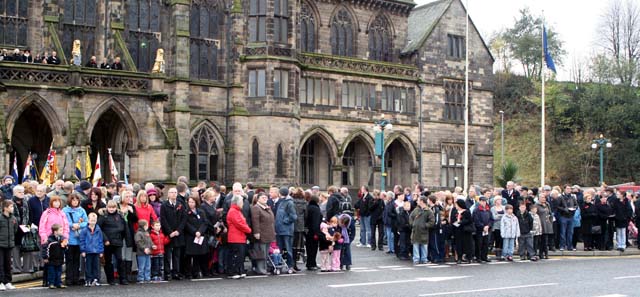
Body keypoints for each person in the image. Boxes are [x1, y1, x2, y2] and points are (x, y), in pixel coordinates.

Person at [160, 187, 186, 281]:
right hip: (169, 234)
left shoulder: (180, 205)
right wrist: (170, 232)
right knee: (167, 255)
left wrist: (178, 231)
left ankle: (176, 272)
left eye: (175, 192)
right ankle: (167, 273)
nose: (174, 194)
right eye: (172, 192)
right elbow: (163, 219)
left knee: (177, 255)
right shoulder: (164, 205)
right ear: (168, 194)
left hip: (178, 234)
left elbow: (184, 219)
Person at [98, 201, 126, 285]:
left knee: (120, 260)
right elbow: (99, 229)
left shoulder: (120, 216)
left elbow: (124, 228)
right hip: (107, 242)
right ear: (107, 207)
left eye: (113, 207)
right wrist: (105, 239)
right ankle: (110, 280)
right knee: (108, 261)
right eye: (109, 207)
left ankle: (123, 279)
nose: (111, 209)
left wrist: (123, 238)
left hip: (118, 241)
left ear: (116, 208)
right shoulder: (103, 216)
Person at [62, 194, 88, 286]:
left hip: (78, 238)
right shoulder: (65, 210)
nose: (75, 202)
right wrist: (72, 225)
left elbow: (86, 221)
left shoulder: (81, 210)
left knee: (77, 260)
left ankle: (75, 278)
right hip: (69, 238)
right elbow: (63, 221)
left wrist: (79, 225)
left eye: (77, 200)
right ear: (70, 201)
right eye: (73, 200)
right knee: (69, 260)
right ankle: (68, 278)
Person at [12, 185, 37, 274]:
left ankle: (28, 268)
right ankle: (17, 269)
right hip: (15, 230)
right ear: (15, 193)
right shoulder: (11, 202)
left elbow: (30, 215)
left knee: (27, 249)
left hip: (26, 228)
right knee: (16, 250)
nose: (22, 194)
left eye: (23, 192)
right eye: (19, 192)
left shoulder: (26, 202)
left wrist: (29, 226)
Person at [226, 195, 251, 279]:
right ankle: (233, 271)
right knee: (235, 255)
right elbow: (239, 223)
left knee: (240, 255)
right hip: (235, 237)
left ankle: (239, 270)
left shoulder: (237, 211)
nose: (243, 204)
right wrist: (248, 230)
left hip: (239, 236)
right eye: (241, 202)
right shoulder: (233, 211)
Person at [184, 196, 209, 279]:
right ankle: (188, 272)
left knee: (197, 255)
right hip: (190, 236)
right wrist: (194, 231)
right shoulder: (186, 212)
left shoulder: (201, 212)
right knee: (189, 256)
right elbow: (186, 224)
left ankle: (196, 271)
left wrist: (200, 231)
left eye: (192, 202)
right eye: (189, 202)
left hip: (199, 236)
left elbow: (205, 223)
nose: (191, 204)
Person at [251, 193, 275, 275]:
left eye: (266, 197)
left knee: (266, 253)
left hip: (268, 233)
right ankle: (260, 269)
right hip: (261, 234)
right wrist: (256, 232)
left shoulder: (267, 207)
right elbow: (255, 221)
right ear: (258, 199)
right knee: (261, 253)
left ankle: (264, 268)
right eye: (263, 197)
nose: (265, 199)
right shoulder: (256, 208)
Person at [274, 187, 297, 274]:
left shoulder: (289, 203)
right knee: (278, 249)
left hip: (287, 230)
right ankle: (279, 265)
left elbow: (293, 216)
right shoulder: (281, 201)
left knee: (288, 249)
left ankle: (290, 265)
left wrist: (284, 221)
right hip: (279, 229)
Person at [409, 196, 435, 265]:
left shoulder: (429, 211)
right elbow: (411, 217)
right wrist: (413, 224)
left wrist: (425, 225)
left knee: (424, 245)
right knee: (415, 245)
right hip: (415, 231)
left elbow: (432, 221)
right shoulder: (416, 210)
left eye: (418, 200)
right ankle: (416, 259)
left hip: (424, 232)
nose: (417, 201)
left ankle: (424, 258)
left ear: (422, 201)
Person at [80, 212, 103, 287]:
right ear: (88, 220)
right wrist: (83, 250)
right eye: (91, 220)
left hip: (96, 251)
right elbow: (82, 241)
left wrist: (101, 250)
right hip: (88, 251)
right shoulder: (84, 230)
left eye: (94, 220)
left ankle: (96, 279)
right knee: (88, 266)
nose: (93, 222)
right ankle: (88, 279)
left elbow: (100, 240)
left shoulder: (98, 230)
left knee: (96, 266)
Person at [41, 224, 67, 289]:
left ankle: (59, 283)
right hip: (51, 260)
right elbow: (45, 248)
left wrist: (65, 246)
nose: (62, 232)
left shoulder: (62, 239)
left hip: (59, 259)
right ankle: (51, 283)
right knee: (51, 272)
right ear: (55, 232)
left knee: (59, 272)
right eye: (60, 230)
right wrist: (45, 257)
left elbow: (65, 249)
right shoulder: (49, 240)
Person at [0, 200, 18, 291]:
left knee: (8, 264)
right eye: (11, 207)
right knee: (1, 264)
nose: (12, 208)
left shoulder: (13, 218)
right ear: (5, 208)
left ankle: (7, 282)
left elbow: (15, 230)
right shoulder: (0, 218)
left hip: (9, 244)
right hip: (1, 245)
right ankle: (1, 282)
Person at [557, 185, 578, 251]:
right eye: (568, 188)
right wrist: (564, 209)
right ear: (564, 189)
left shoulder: (572, 197)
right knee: (563, 232)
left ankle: (570, 246)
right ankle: (562, 245)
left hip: (571, 216)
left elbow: (576, 205)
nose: (569, 190)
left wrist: (575, 208)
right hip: (563, 216)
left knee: (570, 232)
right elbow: (558, 206)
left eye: (570, 189)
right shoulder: (560, 197)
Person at [472, 196, 492, 263]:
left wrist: (488, 226)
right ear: (479, 201)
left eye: (485, 201)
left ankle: (484, 256)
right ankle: (478, 257)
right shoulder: (476, 210)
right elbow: (476, 220)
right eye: (482, 201)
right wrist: (483, 227)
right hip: (479, 230)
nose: (484, 202)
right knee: (479, 244)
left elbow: (491, 219)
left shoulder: (488, 209)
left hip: (487, 229)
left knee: (486, 243)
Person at [305, 195, 322, 271]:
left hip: (307, 230)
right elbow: (315, 221)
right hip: (313, 231)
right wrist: (317, 232)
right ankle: (312, 264)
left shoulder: (308, 207)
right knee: (313, 248)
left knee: (308, 248)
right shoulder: (316, 209)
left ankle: (310, 263)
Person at [454, 199, 473, 264]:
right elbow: (452, 219)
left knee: (467, 244)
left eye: (456, 204)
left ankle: (469, 257)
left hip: (465, 230)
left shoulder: (467, 211)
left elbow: (469, 220)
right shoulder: (455, 211)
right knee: (459, 245)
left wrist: (461, 222)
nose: (455, 206)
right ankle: (459, 257)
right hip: (457, 230)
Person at [134, 219, 153, 284]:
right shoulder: (138, 233)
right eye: (147, 225)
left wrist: (152, 246)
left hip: (148, 252)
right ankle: (140, 278)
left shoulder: (147, 233)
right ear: (144, 226)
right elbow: (138, 242)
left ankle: (147, 278)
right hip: (141, 253)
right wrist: (144, 248)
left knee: (148, 266)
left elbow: (150, 241)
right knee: (141, 266)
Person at [536, 193, 554, 259]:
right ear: (539, 198)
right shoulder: (537, 205)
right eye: (542, 197)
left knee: (546, 240)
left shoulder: (547, 204)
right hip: (541, 223)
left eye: (544, 197)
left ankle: (546, 253)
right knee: (541, 240)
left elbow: (550, 213)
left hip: (547, 223)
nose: (544, 199)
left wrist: (551, 221)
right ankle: (541, 253)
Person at [490, 195, 505, 260]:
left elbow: (505, 216)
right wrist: (501, 216)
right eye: (499, 200)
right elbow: (494, 217)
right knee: (497, 240)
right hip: (496, 227)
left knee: (502, 240)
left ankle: (501, 253)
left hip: (503, 226)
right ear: (495, 201)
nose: (500, 201)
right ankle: (497, 254)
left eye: (500, 200)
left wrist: (499, 216)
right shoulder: (493, 208)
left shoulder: (504, 207)